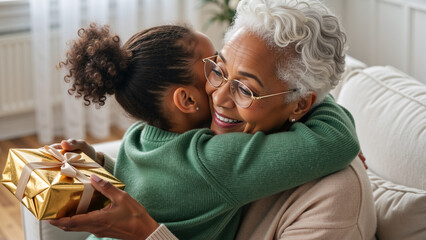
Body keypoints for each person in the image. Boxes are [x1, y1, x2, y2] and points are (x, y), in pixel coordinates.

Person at [50, 0, 376, 239]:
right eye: (218, 69)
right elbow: (337, 139)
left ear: (299, 105)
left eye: (245, 88)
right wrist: (317, 102)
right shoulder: (214, 155)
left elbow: (140, 181)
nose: (216, 94)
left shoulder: (140, 136)